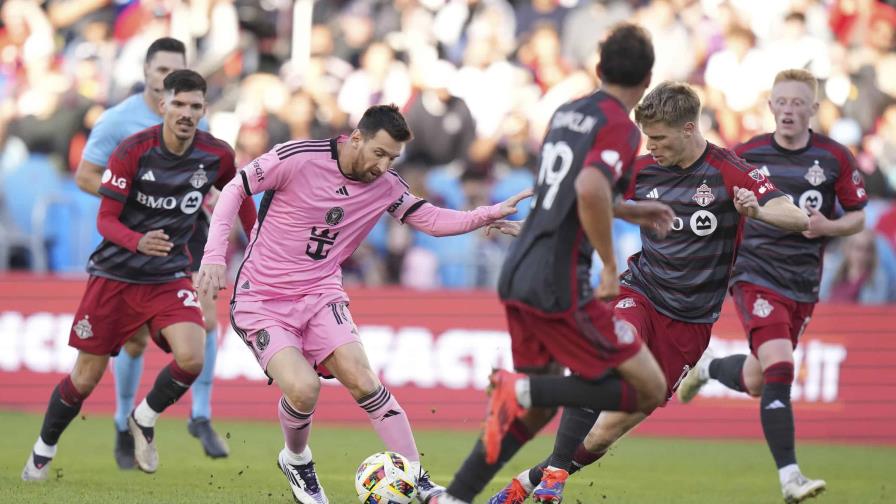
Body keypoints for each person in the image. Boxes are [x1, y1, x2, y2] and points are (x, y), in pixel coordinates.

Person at [194, 104, 531, 504]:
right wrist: (215, 255)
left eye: (392, 158)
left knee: (364, 379)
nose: (384, 165)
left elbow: (433, 221)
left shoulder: (387, 185)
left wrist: (488, 214)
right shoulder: (298, 157)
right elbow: (235, 188)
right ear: (357, 139)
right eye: (379, 153)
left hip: (320, 294)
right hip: (262, 299)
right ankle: (297, 459)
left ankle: (416, 478)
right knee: (304, 390)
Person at [490, 81, 809, 504]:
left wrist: (759, 210)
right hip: (640, 292)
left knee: (606, 430)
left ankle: (534, 478)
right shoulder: (641, 171)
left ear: (689, 129)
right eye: (647, 137)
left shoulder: (728, 170)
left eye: (658, 138)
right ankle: (552, 482)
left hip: (690, 323)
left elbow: (796, 215)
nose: (651, 146)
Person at [434, 23, 678, 504]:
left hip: (519, 270)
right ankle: (516, 390)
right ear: (647, 78)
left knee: (538, 410)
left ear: (598, 67)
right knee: (648, 389)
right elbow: (589, 188)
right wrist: (610, 265)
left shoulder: (567, 112)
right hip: (558, 280)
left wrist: (631, 208)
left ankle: (456, 496)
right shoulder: (620, 126)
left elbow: (570, 193)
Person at [22, 70, 257, 481]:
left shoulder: (216, 154)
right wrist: (137, 241)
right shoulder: (133, 151)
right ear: (163, 104)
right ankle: (43, 450)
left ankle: (143, 417)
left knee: (193, 356)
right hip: (115, 275)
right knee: (85, 378)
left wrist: (257, 242)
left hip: (168, 275)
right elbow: (106, 220)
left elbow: (238, 196)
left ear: (204, 110)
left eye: (195, 106)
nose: (186, 113)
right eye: (179, 104)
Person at [676, 68, 868, 503]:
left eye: (798, 103)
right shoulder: (748, 153)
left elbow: (858, 215)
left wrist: (830, 227)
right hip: (755, 274)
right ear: (770, 106)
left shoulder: (835, 157)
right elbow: (710, 198)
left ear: (813, 110)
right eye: (781, 101)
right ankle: (790, 477)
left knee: (760, 378)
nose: (788, 110)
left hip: (803, 283)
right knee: (780, 366)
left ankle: (707, 368)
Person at [75, 37, 232, 465]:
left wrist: (208, 197)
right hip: (135, 238)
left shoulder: (191, 114)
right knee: (134, 343)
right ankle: (124, 421)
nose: (167, 79)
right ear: (146, 73)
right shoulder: (117, 122)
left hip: (188, 229)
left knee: (209, 317)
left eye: (175, 71)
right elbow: (86, 176)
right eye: (161, 71)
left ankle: (201, 415)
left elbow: (212, 172)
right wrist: (134, 203)